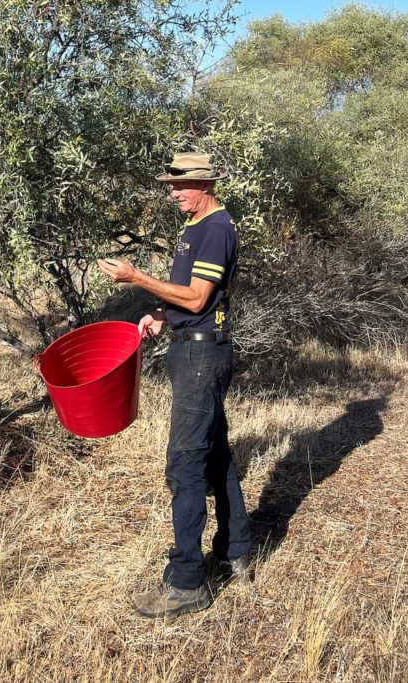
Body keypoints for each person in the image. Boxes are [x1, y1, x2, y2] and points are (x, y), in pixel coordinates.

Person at [98, 152, 252, 618]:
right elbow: (190, 297)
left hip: (203, 355)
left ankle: (186, 582)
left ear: (204, 184)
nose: (173, 193)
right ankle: (236, 549)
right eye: (171, 185)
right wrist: (162, 314)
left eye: (180, 186)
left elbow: (200, 296)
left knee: (184, 463)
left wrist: (136, 279)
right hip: (194, 346)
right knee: (215, 453)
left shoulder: (216, 229)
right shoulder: (193, 228)